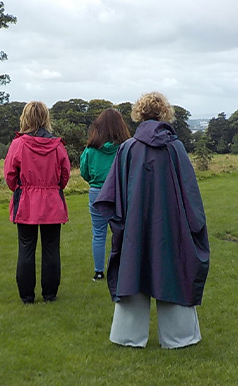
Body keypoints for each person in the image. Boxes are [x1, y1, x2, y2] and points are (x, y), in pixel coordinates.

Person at [94, 91, 209, 349]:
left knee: (133, 268)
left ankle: (128, 336)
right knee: (173, 268)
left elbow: (112, 195)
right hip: (171, 226)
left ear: (139, 114)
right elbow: (191, 195)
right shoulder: (175, 148)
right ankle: (179, 337)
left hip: (134, 226)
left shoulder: (128, 149)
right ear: (164, 113)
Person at [4, 101, 71, 304]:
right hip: (51, 201)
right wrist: (52, 187)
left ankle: (27, 296)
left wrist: (22, 188)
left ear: (25, 118)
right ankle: (50, 294)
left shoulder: (18, 144)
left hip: (26, 201)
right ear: (45, 118)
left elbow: (9, 175)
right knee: (51, 248)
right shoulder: (57, 145)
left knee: (26, 248)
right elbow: (65, 174)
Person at [80, 109, 131, 281]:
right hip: (120, 192)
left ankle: (99, 272)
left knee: (99, 233)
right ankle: (124, 269)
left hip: (96, 192)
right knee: (122, 231)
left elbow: (84, 172)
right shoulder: (126, 147)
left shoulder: (90, 149)